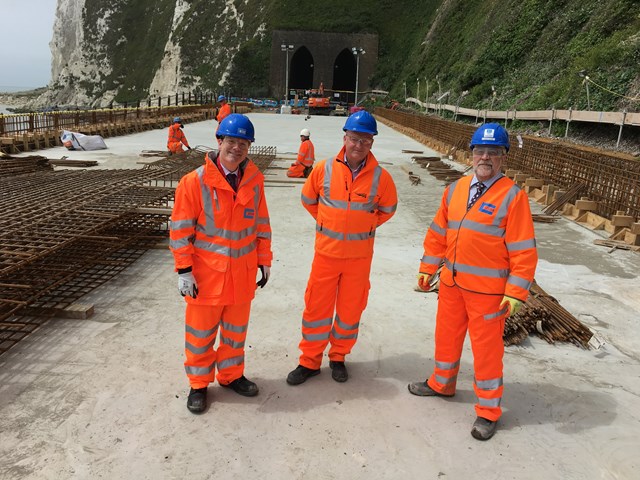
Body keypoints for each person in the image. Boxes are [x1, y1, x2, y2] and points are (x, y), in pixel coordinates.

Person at [409, 123, 538, 441]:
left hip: (488, 294)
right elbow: (438, 233)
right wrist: (428, 268)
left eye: (493, 153)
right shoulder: (454, 190)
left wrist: (516, 291)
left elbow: (523, 250)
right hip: (451, 285)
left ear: (503, 158)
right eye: (480, 150)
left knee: (487, 353)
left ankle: (488, 411)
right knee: (446, 339)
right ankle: (442, 383)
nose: (485, 157)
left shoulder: (513, 197)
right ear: (471, 154)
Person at [169, 113, 273, 414]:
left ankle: (231, 376)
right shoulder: (194, 183)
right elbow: (180, 231)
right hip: (206, 278)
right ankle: (199, 384)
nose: (237, 148)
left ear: (248, 147)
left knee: (235, 333)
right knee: (200, 336)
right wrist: (184, 270)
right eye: (231, 141)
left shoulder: (254, 180)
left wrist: (264, 260)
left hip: (241, 276)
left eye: (243, 143)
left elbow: (262, 224)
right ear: (219, 142)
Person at [286, 110, 398, 385]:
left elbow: (388, 209)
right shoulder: (324, 169)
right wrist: (328, 224)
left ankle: (338, 357)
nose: (358, 145)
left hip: (359, 259)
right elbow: (308, 200)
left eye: (365, 140)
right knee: (316, 309)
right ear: (345, 138)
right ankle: (309, 361)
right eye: (354, 138)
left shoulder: (381, 177)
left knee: (350, 311)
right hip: (326, 254)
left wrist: (363, 228)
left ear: (371, 142)